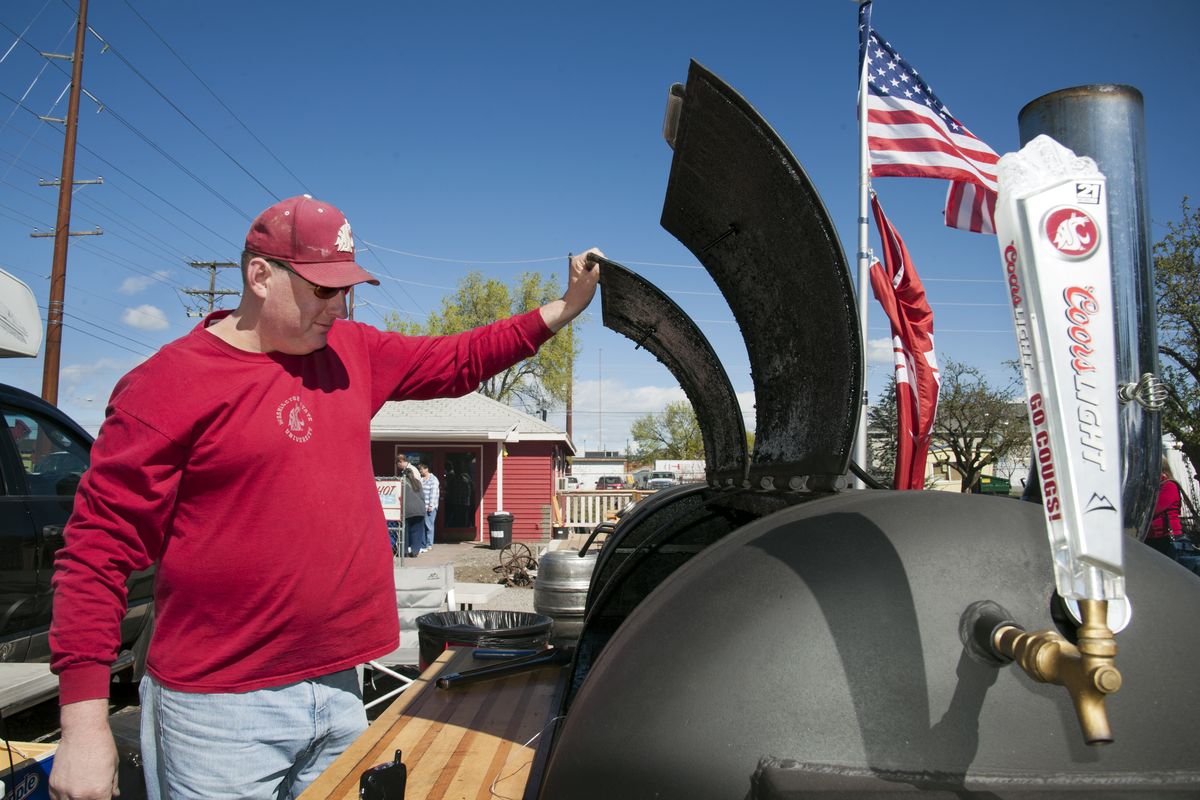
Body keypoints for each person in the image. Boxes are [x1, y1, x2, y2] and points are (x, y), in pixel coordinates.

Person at [47, 193, 601, 800]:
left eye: (345, 290)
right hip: (218, 713)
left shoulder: (350, 353)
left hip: (340, 690)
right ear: (259, 276)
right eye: (321, 289)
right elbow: (96, 552)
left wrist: (565, 308)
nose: (338, 306)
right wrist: (83, 726)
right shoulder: (166, 386)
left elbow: (459, 357)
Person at [1146, 457, 1185, 558]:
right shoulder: (1154, 486)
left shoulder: (1169, 486)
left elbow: (1153, 509)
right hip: (1152, 537)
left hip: (1166, 538)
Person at [402, 469, 427, 558]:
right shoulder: (417, 482)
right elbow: (422, 496)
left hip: (407, 510)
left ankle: (404, 551)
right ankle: (415, 551)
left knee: (405, 532)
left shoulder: (402, 482)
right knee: (417, 531)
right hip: (420, 510)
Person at [419, 462, 440, 553]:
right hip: (422, 506)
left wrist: (431, 505)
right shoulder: (421, 479)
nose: (420, 471)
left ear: (426, 469)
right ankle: (423, 544)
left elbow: (433, 493)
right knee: (423, 525)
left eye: (422, 469)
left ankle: (429, 544)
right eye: (419, 469)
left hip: (430, 506)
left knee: (429, 526)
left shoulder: (433, 479)